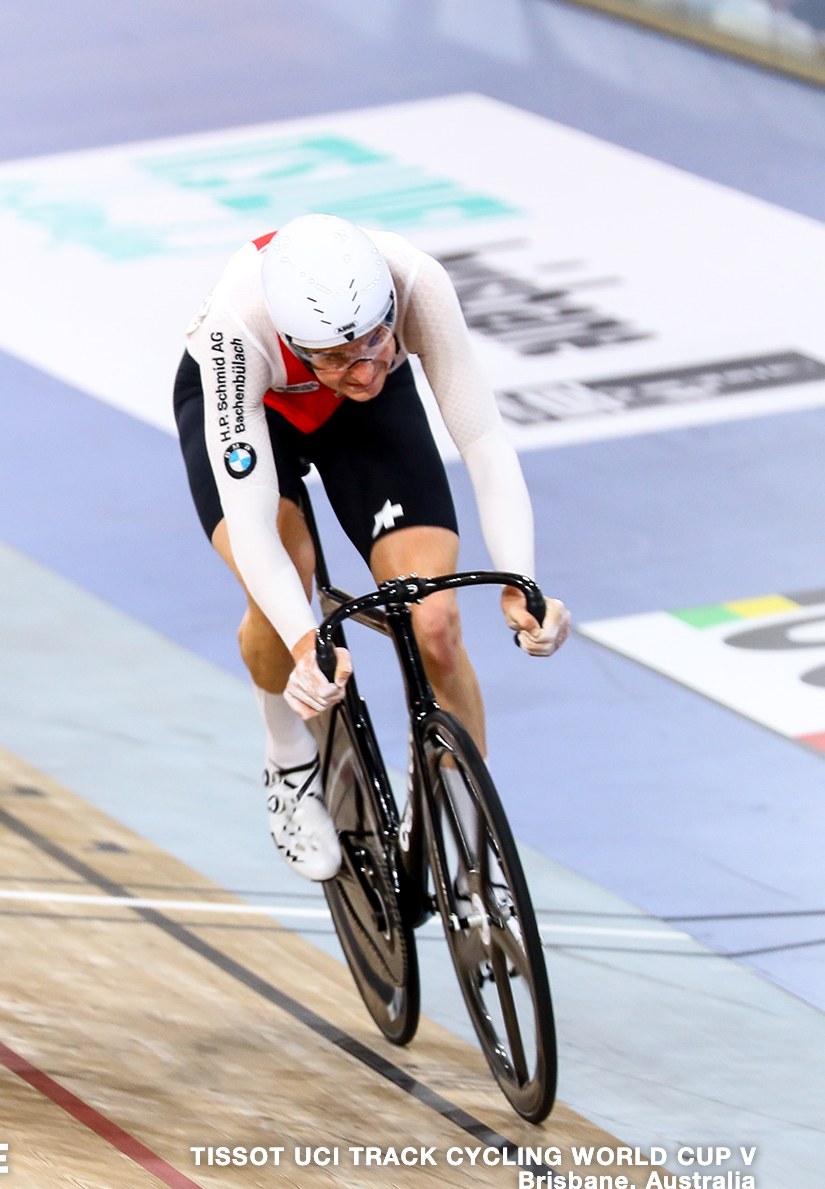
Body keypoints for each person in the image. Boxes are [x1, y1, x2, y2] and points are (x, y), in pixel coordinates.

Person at [174, 214, 570, 881]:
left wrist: (521, 582)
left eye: (375, 343)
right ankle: (288, 757)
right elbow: (249, 524)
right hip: (255, 412)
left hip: (362, 425)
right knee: (283, 577)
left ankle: (466, 839)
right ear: (299, 343)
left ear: (389, 308)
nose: (362, 371)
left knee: (437, 620)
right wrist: (307, 646)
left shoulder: (414, 281)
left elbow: (483, 442)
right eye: (334, 357)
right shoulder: (234, 331)